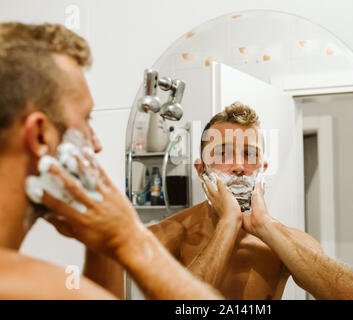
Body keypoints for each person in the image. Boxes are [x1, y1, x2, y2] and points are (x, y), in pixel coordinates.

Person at [0, 22, 221, 300]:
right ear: (41, 136)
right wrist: (129, 238)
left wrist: (103, 249)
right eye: (86, 120)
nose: (96, 143)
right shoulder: (32, 288)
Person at [145, 103, 353, 300]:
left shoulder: (281, 240)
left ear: (263, 170)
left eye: (250, 155)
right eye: (223, 153)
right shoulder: (167, 235)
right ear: (201, 170)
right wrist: (228, 223)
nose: (239, 166)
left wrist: (265, 225)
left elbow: (351, 296)